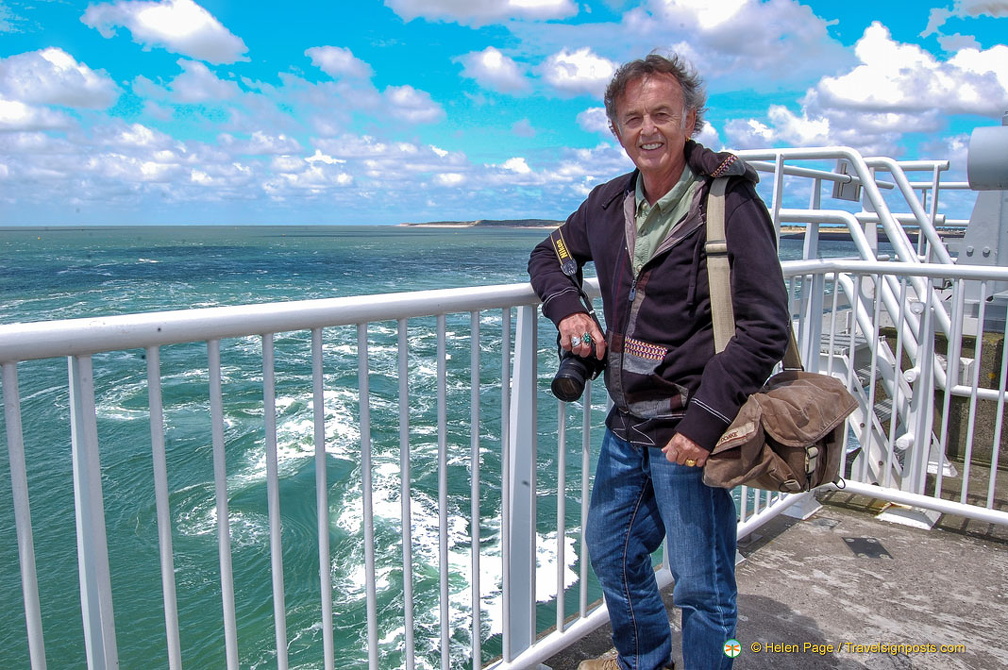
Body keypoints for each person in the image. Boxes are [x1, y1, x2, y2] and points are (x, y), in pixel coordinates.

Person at [527, 53, 790, 670]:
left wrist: (704, 423)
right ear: (616, 130)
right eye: (633, 118)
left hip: (689, 428)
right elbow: (548, 254)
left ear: (690, 119)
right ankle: (644, 661)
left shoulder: (728, 204)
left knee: (704, 589)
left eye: (662, 115)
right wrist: (568, 307)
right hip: (627, 424)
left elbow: (765, 325)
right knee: (612, 556)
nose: (648, 130)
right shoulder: (607, 203)